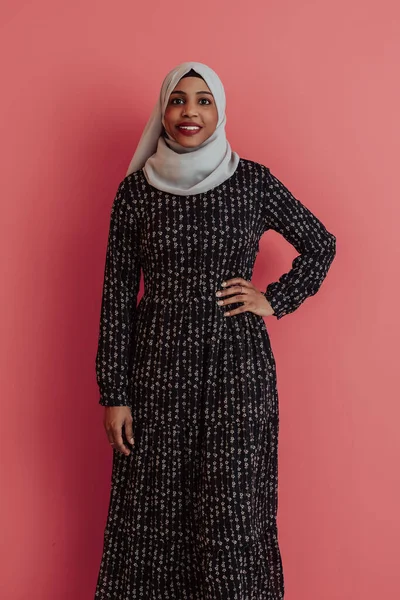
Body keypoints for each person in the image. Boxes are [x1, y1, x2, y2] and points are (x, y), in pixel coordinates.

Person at [94, 61, 336, 599]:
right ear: (163, 110)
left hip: (236, 371)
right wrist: (115, 393)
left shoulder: (251, 181)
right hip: (155, 370)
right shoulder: (135, 193)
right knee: (153, 511)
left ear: (220, 111)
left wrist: (274, 300)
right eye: (179, 100)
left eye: (204, 101)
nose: (190, 112)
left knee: (230, 508)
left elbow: (322, 244)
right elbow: (115, 297)